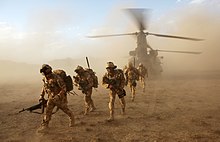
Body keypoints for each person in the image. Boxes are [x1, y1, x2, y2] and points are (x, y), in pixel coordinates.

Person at [37, 64, 75, 132]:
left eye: (46, 73)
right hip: (51, 98)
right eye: (44, 73)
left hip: (59, 98)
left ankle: (72, 118)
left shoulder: (57, 78)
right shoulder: (45, 79)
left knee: (66, 110)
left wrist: (59, 95)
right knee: (48, 112)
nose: (45, 74)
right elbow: (44, 87)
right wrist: (41, 96)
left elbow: (64, 88)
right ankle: (45, 126)